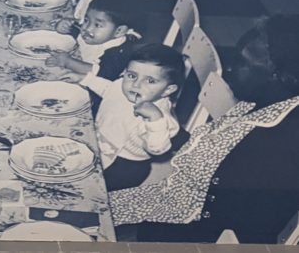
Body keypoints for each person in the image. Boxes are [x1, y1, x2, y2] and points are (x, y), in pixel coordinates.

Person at [111, 15, 299, 243]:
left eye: (243, 63)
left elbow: (234, 226)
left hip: (185, 233)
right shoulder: (260, 101)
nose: (229, 68)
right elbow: (209, 156)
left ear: (278, 76)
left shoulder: (277, 144)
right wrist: (165, 126)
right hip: (170, 199)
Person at [87, 44, 183, 192]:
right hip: (101, 140)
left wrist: (155, 120)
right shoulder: (125, 87)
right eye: (132, 76)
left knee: (90, 190)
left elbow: (158, 149)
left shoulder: (162, 118)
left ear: (167, 90)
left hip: (126, 165)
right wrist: (85, 79)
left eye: (150, 81)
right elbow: (109, 89)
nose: (136, 84)